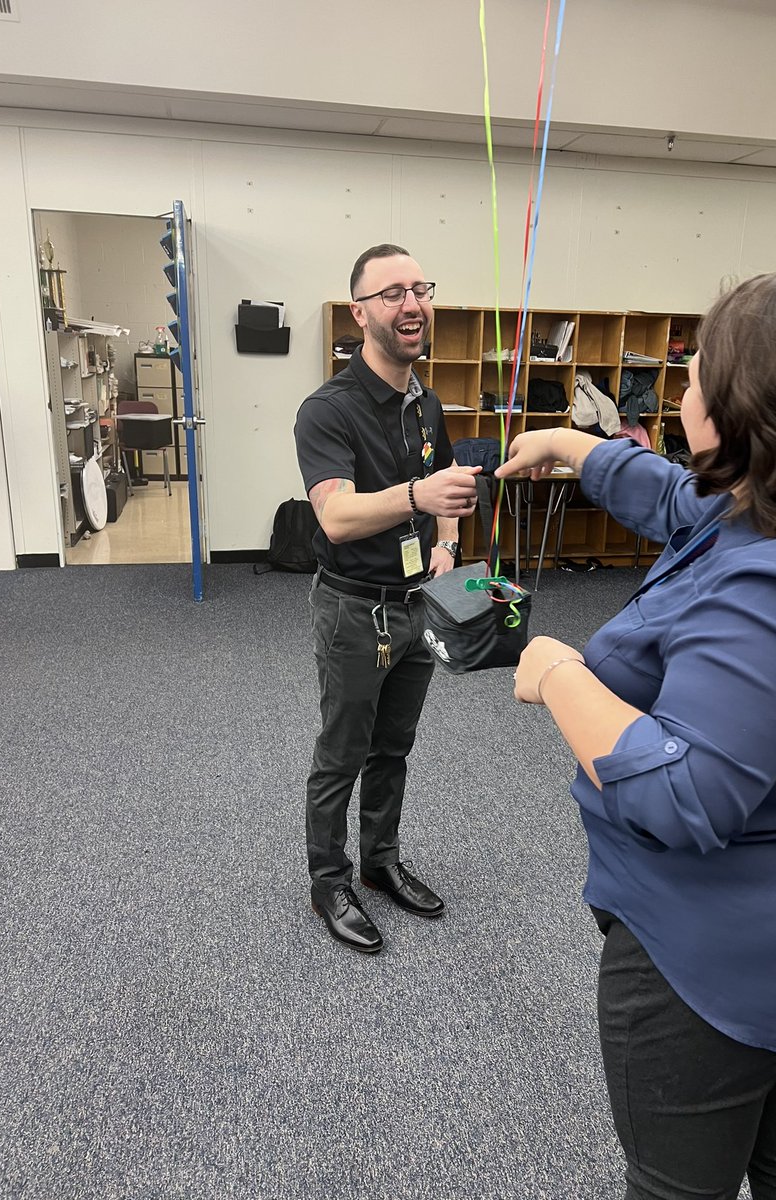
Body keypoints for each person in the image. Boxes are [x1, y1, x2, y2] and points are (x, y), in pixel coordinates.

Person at [496, 268, 776, 1198]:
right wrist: (569, 445)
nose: (680, 393)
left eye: (697, 376)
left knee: (677, 1184)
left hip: (711, 957)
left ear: (748, 407)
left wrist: (559, 672)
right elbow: (677, 500)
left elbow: (684, 794)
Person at [294, 243, 480, 955]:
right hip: (352, 609)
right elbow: (335, 517)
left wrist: (446, 543)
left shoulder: (426, 400)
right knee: (343, 751)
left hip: (416, 603)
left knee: (394, 748)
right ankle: (327, 881)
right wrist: (416, 497)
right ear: (360, 311)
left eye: (421, 289)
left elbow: (447, 487)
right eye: (394, 293)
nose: (412, 304)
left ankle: (380, 861)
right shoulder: (328, 410)